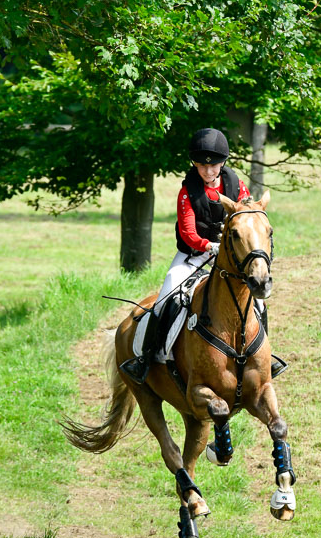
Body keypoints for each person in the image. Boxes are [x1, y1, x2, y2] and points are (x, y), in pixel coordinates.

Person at [120, 128, 285, 384]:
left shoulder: (236, 185)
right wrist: (209, 246)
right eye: (202, 166)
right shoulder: (188, 192)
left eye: (214, 166)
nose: (208, 171)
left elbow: (247, 214)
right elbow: (188, 233)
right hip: (193, 255)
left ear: (222, 163)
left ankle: (265, 357)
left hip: (231, 255)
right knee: (165, 297)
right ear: (195, 164)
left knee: (259, 301)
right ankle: (145, 358)